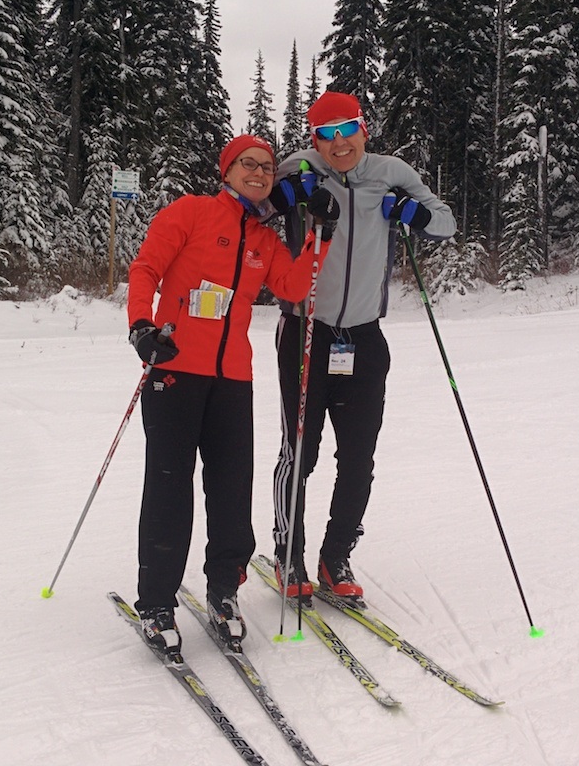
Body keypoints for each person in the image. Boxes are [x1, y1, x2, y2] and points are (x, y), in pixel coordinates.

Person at [126, 133, 339, 652]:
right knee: (169, 490)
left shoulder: (264, 239)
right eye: (249, 164)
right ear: (227, 169)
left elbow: (292, 287)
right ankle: (156, 603)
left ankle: (224, 590)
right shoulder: (191, 212)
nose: (259, 173)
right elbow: (146, 268)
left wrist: (321, 233)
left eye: (267, 167)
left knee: (230, 491)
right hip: (174, 370)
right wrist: (140, 326)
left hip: (232, 381)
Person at [268, 91, 457, 600]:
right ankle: (290, 556)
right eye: (325, 133)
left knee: (358, 457)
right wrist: (288, 195)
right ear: (314, 139)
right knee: (300, 453)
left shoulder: (391, 172)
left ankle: (335, 557)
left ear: (363, 128)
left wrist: (414, 212)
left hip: (364, 337)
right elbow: (254, 207)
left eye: (346, 129)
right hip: (306, 329)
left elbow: (446, 222)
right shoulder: (300, 165)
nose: (338, 142)